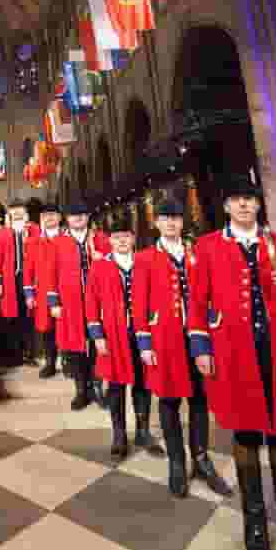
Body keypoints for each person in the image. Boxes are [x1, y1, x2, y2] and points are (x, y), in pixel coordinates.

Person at [189, 176, 276, 550]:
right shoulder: (207, 247)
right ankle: (255, 527)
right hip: (234, 353)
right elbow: (198, 301)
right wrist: (202, 348)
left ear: (257, 205)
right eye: (236, 200)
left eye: (250, 200)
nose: (244, 206)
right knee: (244, 435)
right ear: (226, 206)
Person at [132, 197, 232, 498]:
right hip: (164, 339)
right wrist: (144, 342)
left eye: (176, 217)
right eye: (166, 218)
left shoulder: (197, 253)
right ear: (157, 223)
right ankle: (177, 462)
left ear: (182, 222)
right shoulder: (145, 258)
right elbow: (138, 302)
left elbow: (212, 290)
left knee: (200, 398)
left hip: (199, 338)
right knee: (170, 400)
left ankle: (201, 458)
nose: (172, 222)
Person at [86, 210, 164, 458]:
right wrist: (97, 336)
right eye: (116, 236)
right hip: (113, 336)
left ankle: (142, 430)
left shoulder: (145, 263)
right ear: (109, 240)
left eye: (125, 236)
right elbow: (91, 303)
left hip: (142, 335)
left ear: (133, 238)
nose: (121, 241)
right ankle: (119, 433)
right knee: (117, 385)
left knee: (143, 383)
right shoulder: (100, 267)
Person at [48, 200, 98, 410]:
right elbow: (50, 274)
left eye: (82, 214)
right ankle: (81, 390)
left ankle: (96, 385)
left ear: (88, 217)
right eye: (73, 214)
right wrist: (54, 302)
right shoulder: (58, 242)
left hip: (97, 302)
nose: (78, 217)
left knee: (98, 344)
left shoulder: (99, 238)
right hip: (70, 303)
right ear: (67, 219)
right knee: (75, 347)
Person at [0, 198, 40, 366]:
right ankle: (14, 354)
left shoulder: (34, 229)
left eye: (20, 208)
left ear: (24, 211)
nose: (17, 211)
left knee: (29, 316)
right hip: (9, 279)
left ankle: (31, 354)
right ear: (9, 212)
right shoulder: (3, 232)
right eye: (13, 209)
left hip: (30, 278)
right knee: (11, 317)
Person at [24, 203, 63, 378]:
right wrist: (29, 294)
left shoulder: (67, 238)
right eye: (45, 215)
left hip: (66, 291)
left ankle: (68, 362)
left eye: (52, 214)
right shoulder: (34, 242)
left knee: (66, 327)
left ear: (59, 218)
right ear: (41, 219)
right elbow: (28, 270)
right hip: (42, 291)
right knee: (47, 329)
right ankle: (50, 363)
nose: (49, 218)